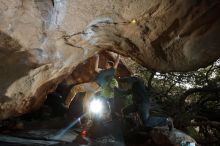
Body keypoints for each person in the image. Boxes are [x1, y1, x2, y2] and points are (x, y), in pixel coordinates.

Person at [94, 54, 120, 118]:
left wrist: (118, 55)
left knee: (109, 103)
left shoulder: (111, 71)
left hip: (102, 87)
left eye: (107, 64)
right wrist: (97, 57)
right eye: (106, 64)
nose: (106, 65)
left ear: (111, 66)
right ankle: (99, 116)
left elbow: (116, 62)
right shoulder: (102, 70)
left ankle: (112, 115)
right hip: (99, 87)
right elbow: (96, 68)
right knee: (100, 101)